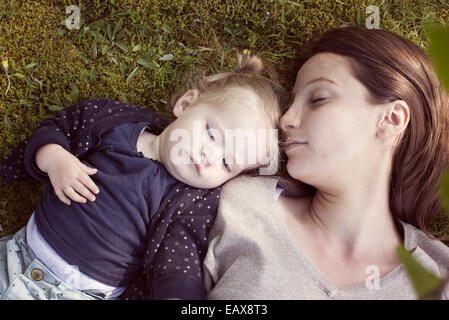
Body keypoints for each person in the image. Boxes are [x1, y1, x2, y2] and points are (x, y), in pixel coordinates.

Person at [0, 50, 282, 300]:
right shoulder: (116, 123)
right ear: (186, 104)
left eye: (226, 162)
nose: (209, 155)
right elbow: (61, 127)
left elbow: (179, 258)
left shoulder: (191, 202)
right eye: (211, 134)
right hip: (15, 254)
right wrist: (55, 159)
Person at [203, 27, 449, 300]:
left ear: (391, 120)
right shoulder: (238, 205)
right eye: (291, 102)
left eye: (318, 99)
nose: (286, 120)